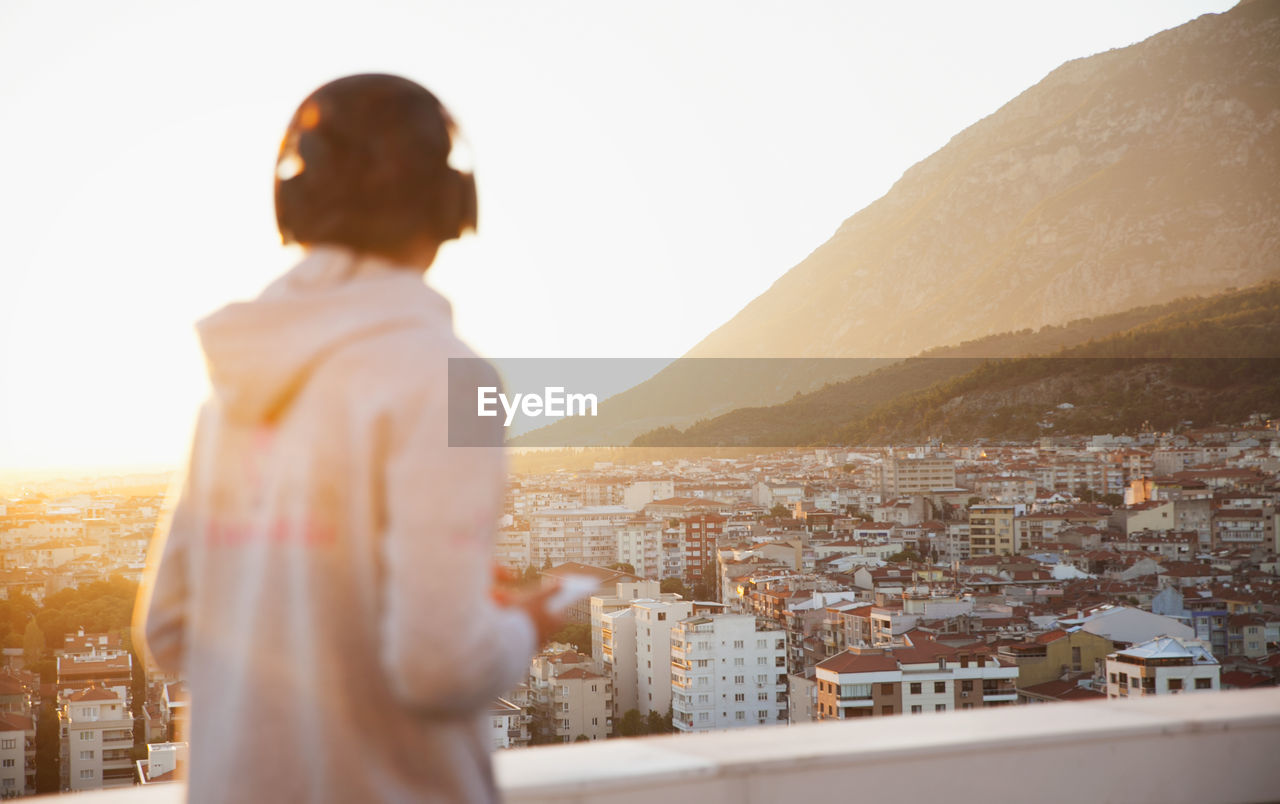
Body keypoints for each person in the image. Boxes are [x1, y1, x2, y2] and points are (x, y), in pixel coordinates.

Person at [135, 73, 559, 802]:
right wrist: (521, 626)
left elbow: (168, 629)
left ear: (292, 205)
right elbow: (440, 664)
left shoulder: (233, 390)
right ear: (454, 204)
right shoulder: (445, 377)